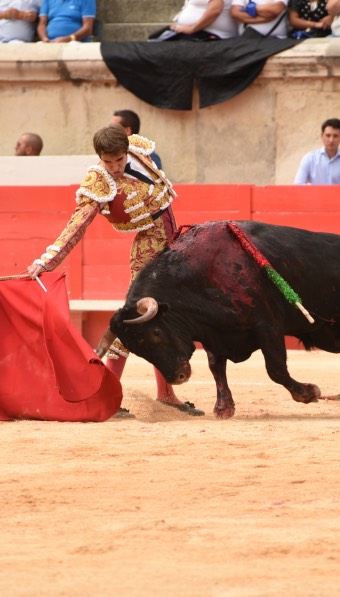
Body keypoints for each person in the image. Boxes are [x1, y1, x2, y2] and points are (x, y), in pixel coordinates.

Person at [25, 125, 205, 419]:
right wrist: (46, 261)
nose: (115, 168)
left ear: (126, 151)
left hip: (171, 243)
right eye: (108, 162)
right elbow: (76, 225)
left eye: (119, 160)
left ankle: (166, 394)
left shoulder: (138, 150)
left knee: (164, 318)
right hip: (149, 249)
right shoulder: (98, 181)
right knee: (135, 319)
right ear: (100, 158)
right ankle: (105, 395)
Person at [294, 118, 340, 185]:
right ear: (321, 135)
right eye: (328, 135)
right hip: (314, 195)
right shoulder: (309, 158)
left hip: (337, 196)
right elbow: (298, 184)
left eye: (335, 136)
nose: (331, 140)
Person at [155, 0, 238, 40]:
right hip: (193, 33)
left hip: (209, 35)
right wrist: (176, 24)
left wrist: (192, 29)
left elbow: (215, 10)